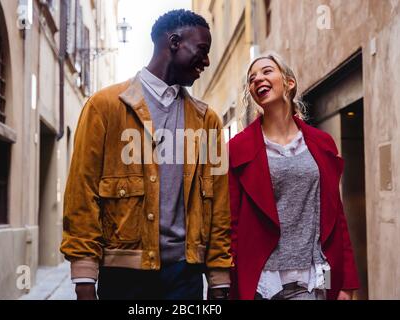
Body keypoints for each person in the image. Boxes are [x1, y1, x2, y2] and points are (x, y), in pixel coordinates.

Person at [60, 9, 232, 300]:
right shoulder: (104, 107)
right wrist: (85, 278)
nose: (207, 61)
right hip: (123, 276)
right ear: (174, 42)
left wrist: (218, 278)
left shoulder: (208, 121)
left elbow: (219, 204)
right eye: (202, 50)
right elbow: (82, 192)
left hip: (185, 276)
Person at [228, 52, 359, 300]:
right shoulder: (238, 148)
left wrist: (345, 281)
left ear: (289, 82)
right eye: (252, 77)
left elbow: (336, 215)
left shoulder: (322, 143)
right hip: (262, 282)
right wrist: (228, 280)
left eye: (267, 71)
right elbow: (231, 222)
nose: (257, 79)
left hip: (314, 277)